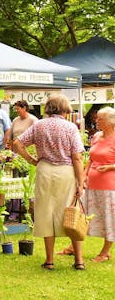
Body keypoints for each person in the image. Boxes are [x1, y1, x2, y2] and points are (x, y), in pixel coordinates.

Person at [13, 93, 86, 270]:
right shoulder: (70, 128)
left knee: (46, 213)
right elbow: (77, 157)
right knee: (71, 212)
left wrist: (31, 160)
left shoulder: (39, 125)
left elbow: (17, 144)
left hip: (45, 170)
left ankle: (50, 260)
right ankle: (79, 261)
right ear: (64, 109)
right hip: (66, 172)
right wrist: (81, 181)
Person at [57, 107, 115, 263]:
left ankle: (105, 252)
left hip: (110, 186)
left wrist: (109, 167)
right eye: (97, 118)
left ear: (110, 122)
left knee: (109, 218)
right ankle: (72, 247)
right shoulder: (96, 136)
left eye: (100, 119)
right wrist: (82, 177)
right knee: (84, 216)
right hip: (92, 184)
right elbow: (90, 159)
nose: (96, 121)